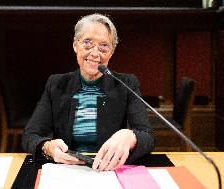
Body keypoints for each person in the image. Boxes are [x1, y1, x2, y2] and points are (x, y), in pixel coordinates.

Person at [22, 13, 154, 171]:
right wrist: (48, 147)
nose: (95, 53)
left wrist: (131, 136)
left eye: (104, 46)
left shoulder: (126, 84)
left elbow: (148, 137)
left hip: (109, 169)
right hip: (66, 170)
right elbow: (30, 135)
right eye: (87, 43)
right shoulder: (56, 84)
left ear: (111, 52)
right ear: (75, 45)